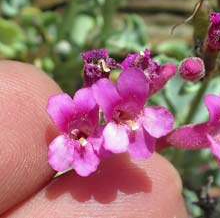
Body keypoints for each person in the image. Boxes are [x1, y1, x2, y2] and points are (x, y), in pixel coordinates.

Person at [0, 61, 188, 218]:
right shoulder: (95, 120)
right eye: (118, 113)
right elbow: (76, 103)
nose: (124, 116)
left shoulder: (106, 133)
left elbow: (108, 140)